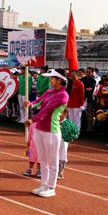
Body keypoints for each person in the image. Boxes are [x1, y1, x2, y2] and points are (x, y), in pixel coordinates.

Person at [25, 69, 69, 198]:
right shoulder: (50, 92)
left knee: (52, 161)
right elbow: (39, 101)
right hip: (39, 129)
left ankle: (51, 187)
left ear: (59, 80)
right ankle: (44, 184)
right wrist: (30, 104)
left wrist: (33, 119)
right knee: (42, 159)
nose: (50, 80)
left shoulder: (63, 95)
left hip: (51, 131)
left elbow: (48, 110)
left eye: (52, 78)